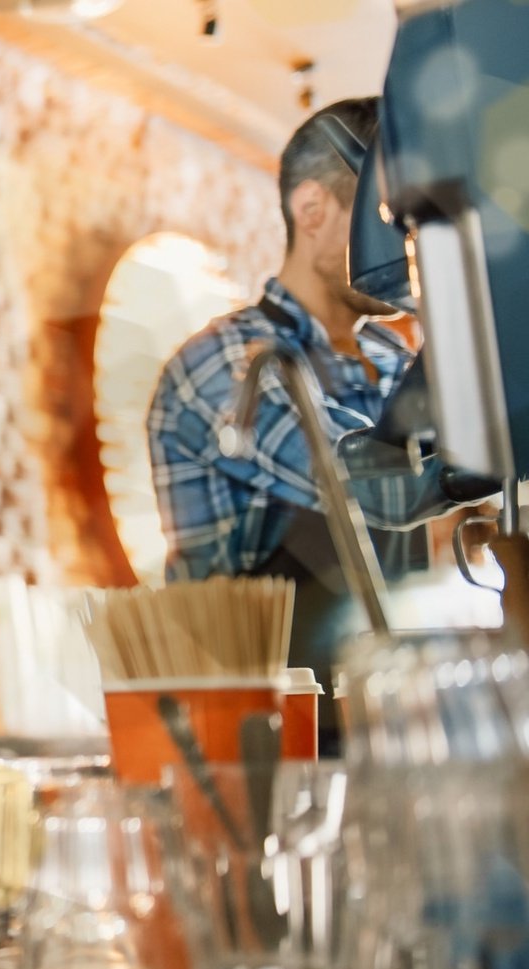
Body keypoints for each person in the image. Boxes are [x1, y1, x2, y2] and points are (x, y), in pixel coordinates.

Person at [148, 98, 476, 720]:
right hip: (260, 722)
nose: (406, 241)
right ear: (312, 210)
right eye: (388, 218)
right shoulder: (227, 363)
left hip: (380, 705)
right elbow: (373, 490)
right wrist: (477, 460)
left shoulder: (390, 358)